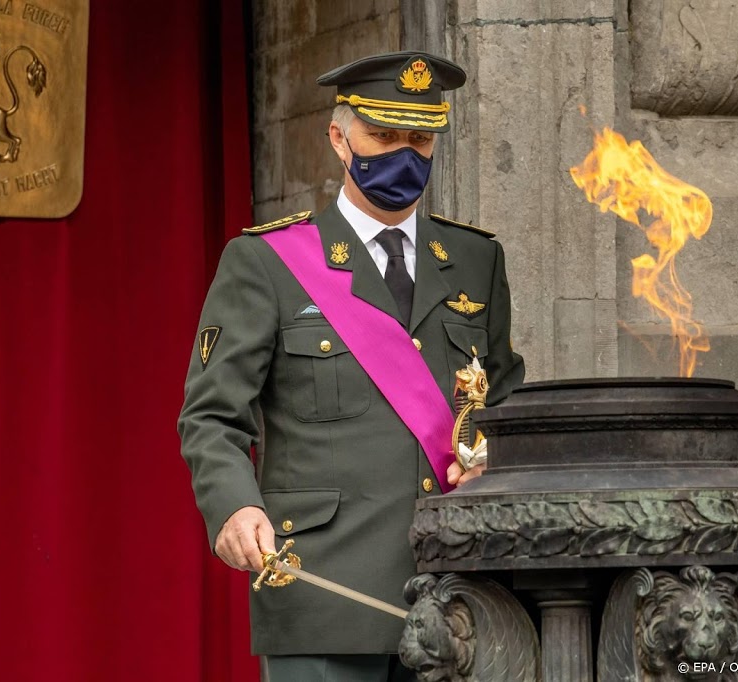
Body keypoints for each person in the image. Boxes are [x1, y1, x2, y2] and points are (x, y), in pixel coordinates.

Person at [178, 51, 525, 682]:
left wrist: (491, 463)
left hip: (466, 594)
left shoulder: (477, 260)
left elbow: (504, 406)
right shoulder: (267, 263)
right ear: (340, 139)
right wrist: (233, 507)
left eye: (419, 139)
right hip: (324, 590)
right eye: (384, 136)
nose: (403, 155)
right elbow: (211, 417)